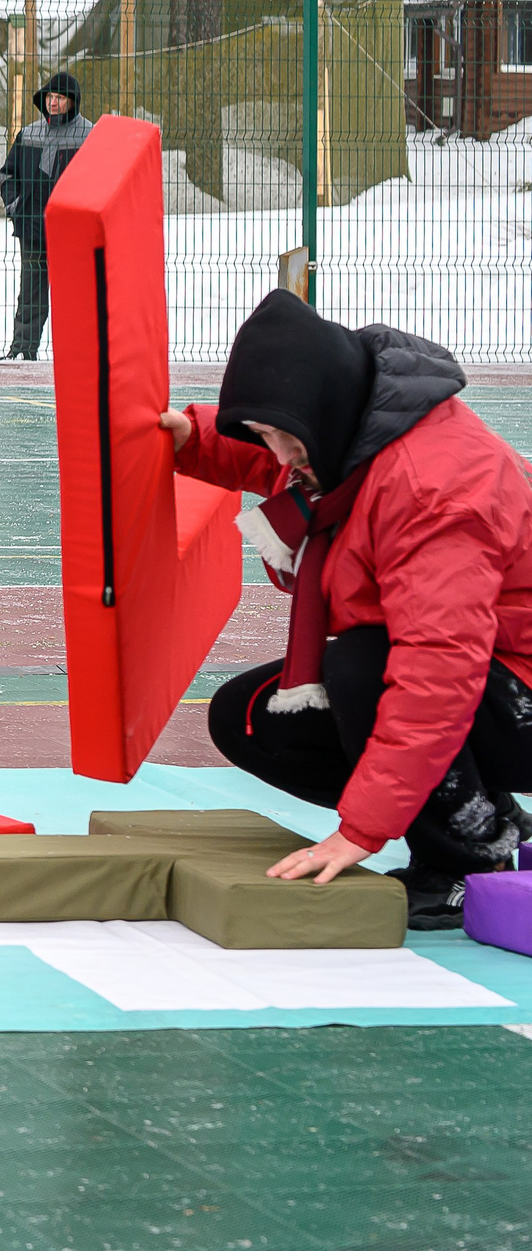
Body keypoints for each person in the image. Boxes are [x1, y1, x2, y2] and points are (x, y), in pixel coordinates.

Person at [160, 290, 532, 930]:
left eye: (286, 442)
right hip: (478, 679)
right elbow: (282, 454)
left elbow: (438, 673)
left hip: (517, 690)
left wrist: (362, 831)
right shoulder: (353, 427)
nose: (280, 459)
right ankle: (478, 811)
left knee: (365, 666)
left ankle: (468, 858)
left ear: (322, 417)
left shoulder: (435, 490)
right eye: (268, 439)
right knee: (250, 717)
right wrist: (194, 438)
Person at [0, 72, 90, 361]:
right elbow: (7, 174)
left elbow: (101, 180)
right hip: (33, 228)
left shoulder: (91, 135)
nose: (53, 102)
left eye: (60, 97)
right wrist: (16, 207)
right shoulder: (28, 134)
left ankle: (78, 355)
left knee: (74, 297)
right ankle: (23, 350)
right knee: (30, 294)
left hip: (73, 232)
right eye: (50, 97)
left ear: (72, 101)